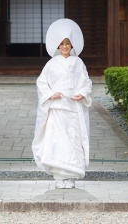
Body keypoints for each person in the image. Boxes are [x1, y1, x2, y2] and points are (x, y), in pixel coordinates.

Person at [32, 18, 92, 189]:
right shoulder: (51, 64)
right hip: (57, 108)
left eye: (68, 43)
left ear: (72, 45)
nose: (65, 46)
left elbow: (86, 82)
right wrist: (51, 94)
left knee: (73, 140)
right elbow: (41, 82)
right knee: (57, 140)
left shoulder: (78, 63)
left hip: (73, 108)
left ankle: (72, 175)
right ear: (57, 46)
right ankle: (59, 176)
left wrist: (82, 94)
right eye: (62, 43)